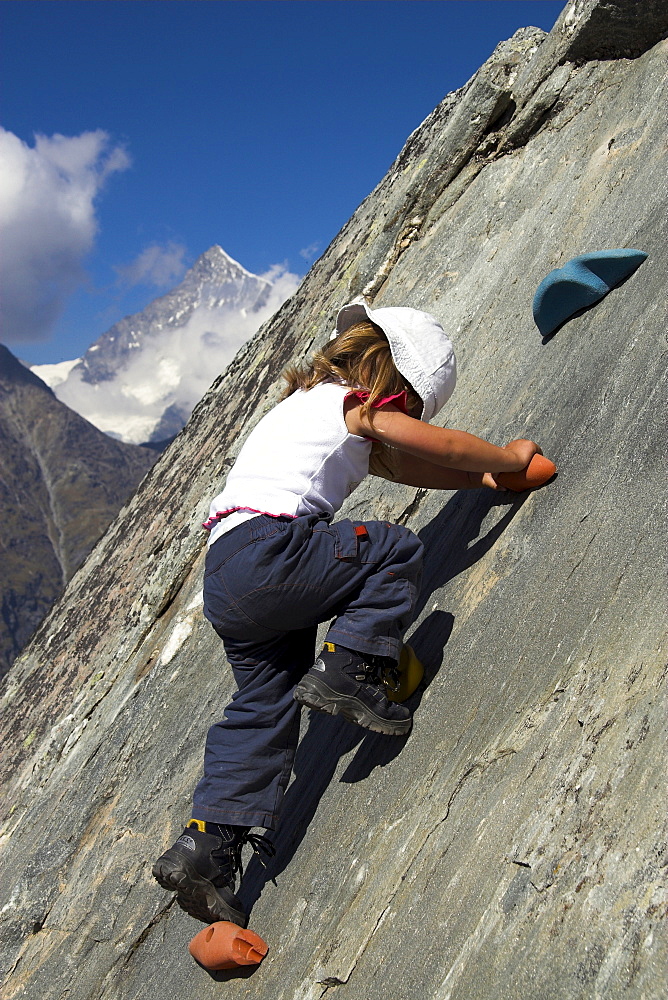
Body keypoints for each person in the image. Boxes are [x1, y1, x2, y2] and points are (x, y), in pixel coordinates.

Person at [152, 301, 541, 928]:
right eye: (410, 406)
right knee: (392, 550)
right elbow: (437, 446)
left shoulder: (306, 409)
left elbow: (415, 467)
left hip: (226, 572)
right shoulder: (355, 404)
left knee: (260, 707)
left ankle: (207, 844)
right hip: (273, 549)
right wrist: (505, 459)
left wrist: (480, 487)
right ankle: (350, 668)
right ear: (396, 381)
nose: (406, 420)